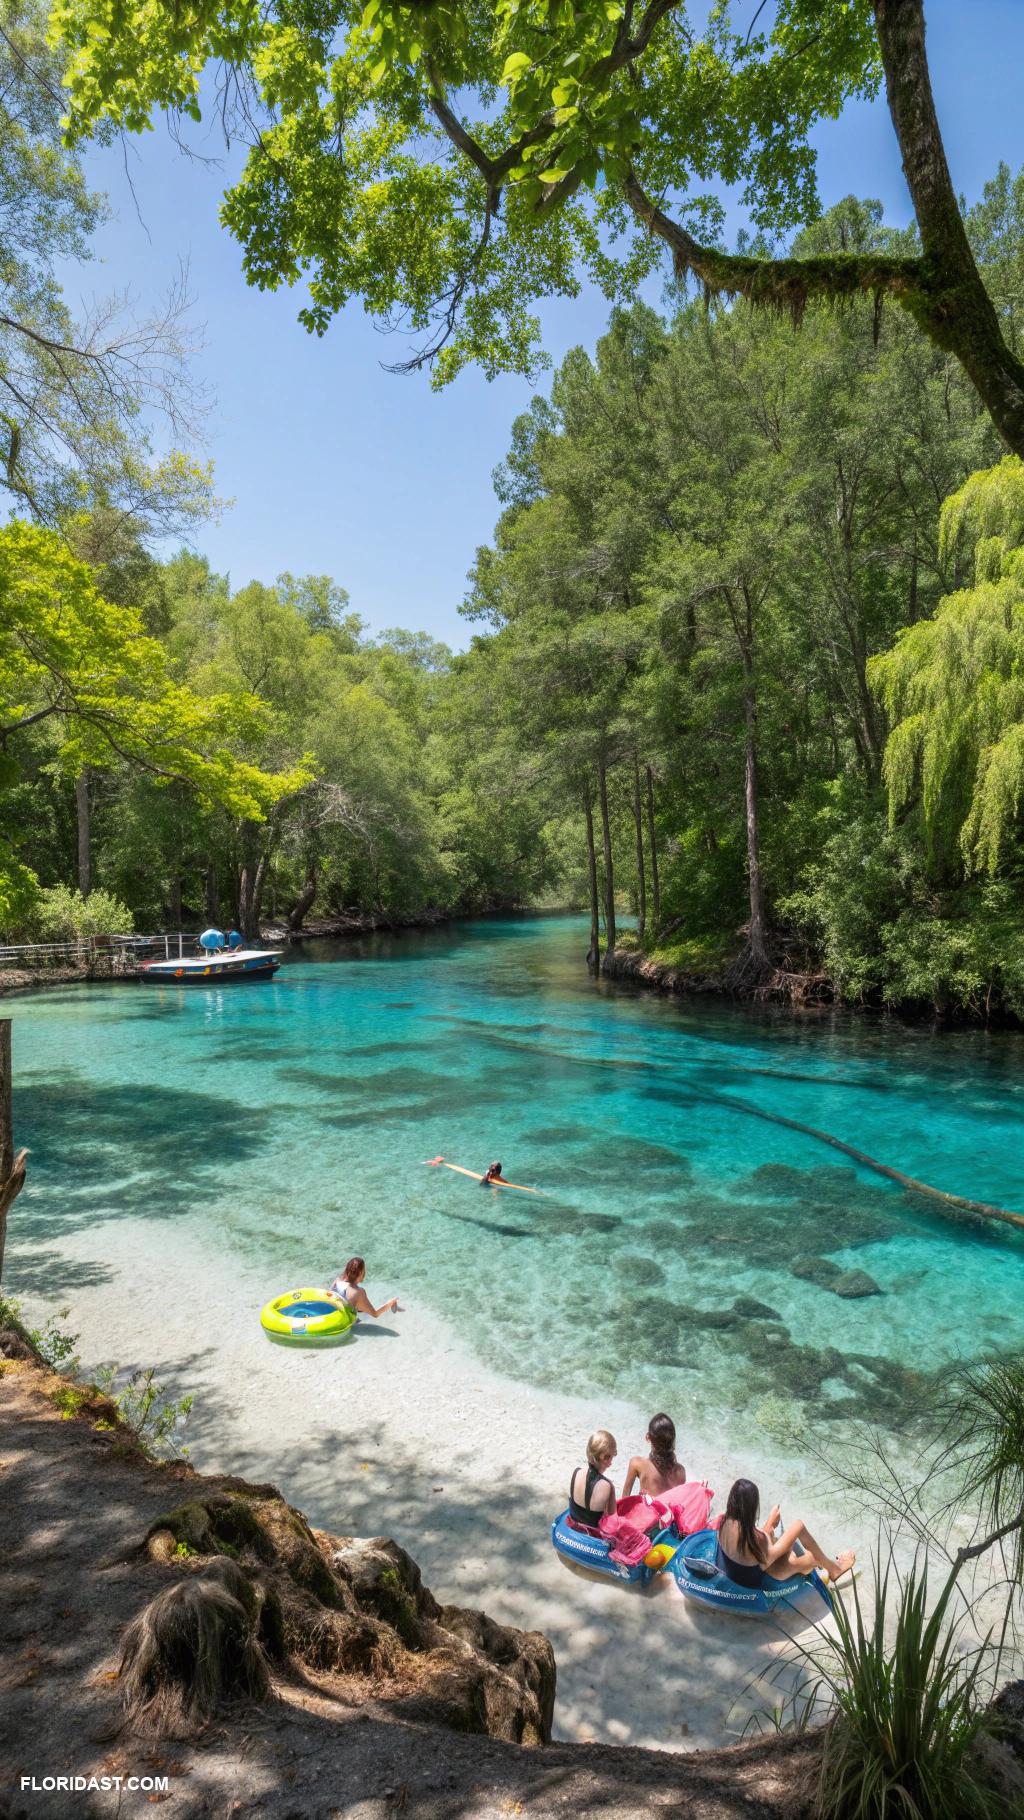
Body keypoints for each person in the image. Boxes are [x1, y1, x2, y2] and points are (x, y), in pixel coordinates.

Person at [717, 1478, 856, 1587]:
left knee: (783, 1539)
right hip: (753, 1578)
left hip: (735, 1571)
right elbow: (770, 1556)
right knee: (803, 1539)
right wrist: (772, 1528)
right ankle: (834, 1570)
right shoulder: (755, 1538)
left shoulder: (723, 1523)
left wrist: (771, 1524)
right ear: (752, 1507)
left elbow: (757, 1548)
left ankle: (820, 1565)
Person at [622, 1413, 687, 1499]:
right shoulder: (681, 1472)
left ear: (648, 1437)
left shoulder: (637, 1463)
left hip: (644, 1512)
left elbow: (624, 1500)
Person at [568, 1429, 618, 1529]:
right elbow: (613, 1520)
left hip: (573, 1528)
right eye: (613, 1455)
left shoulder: (576, 1472)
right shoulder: (607, 1486)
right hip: (592, 1537)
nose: (612, 1461)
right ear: (605, 1458)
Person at [328, 1256, 400, 1320]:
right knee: (366, 1314)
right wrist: (391, 1302)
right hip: (343, 1322)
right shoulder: (359, 1292)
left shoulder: (337, 1281)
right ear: (360, 1273)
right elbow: (375, 1314)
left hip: (330, 1314)